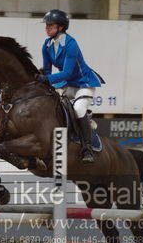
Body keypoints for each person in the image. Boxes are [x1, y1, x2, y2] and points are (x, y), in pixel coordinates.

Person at [35, 9, 104, 164]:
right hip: (67, 84)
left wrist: (46, 78)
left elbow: (66, 72)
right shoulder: (47, 45)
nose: (46, 28)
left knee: (78, 109)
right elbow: (47, 69)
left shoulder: (71, 44)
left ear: (60, 27)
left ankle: (87, 148)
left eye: (50, 25)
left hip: (83, 83)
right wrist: (40, 75)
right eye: (46, 25)